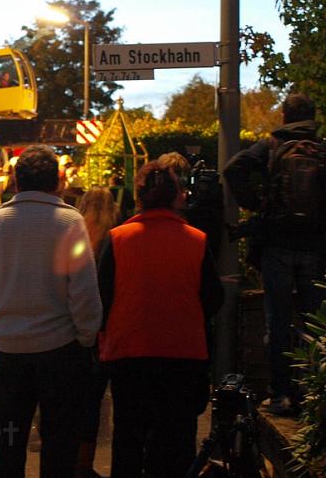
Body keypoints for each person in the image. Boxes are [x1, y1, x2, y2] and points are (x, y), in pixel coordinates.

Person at [0, 144, 102, 478]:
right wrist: (87, 336)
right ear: (57, 181)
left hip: (11, 351)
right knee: (59, 441)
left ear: (15, 180)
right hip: (60, 350)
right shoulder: (69, 222)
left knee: (10, 440)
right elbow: (84, 290)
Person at [98, 160, 223, 478]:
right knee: (176, 439)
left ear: (138, 198)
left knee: (128, 435)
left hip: (129, 351)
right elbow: (213, 299)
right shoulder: (196, 240)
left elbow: (102, 296)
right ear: (178, 197)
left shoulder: (117, 239)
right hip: (183, 353)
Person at [222, 93, 326, 415]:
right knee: (314, 324)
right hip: (314, 247)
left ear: (284, 116)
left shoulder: (272, 147)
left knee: (277, 322)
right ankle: (313, 393)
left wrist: (256, 204)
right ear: (313, 117)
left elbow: (233, 169)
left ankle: (280, 394)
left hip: (276, 244)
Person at [75, 186, 121, 478]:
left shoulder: (75, 235)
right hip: (112, 330)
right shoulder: (116, 239)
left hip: (81, 330)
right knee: (118, 400)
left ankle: (80, 464)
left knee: (86, 403)